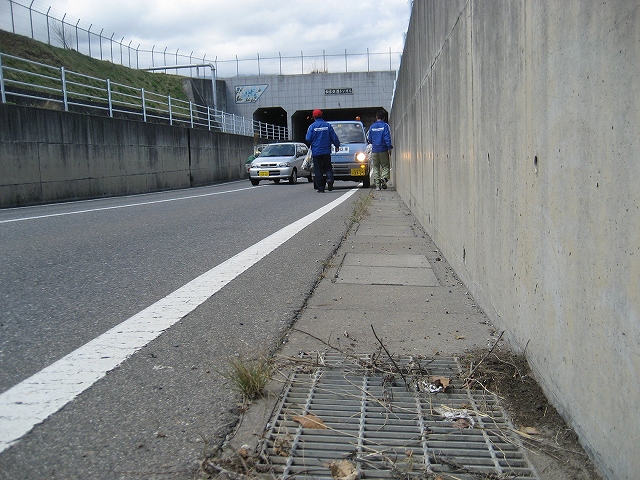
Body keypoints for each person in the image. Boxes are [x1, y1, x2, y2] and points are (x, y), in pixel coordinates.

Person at [305, 109, 340, 192]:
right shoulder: (327, 126)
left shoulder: (312, 127)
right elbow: (334, 137)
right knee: (328, 167)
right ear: (321, 115)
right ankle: (330, 179)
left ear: (313, 117)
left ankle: (321, 188)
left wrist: (313, 142)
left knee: (318, 170)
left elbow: (308, 139)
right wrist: (337, 145)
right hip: (326, 151)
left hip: (316, 152)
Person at [367, 110, 393, 191]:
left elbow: (369, 139)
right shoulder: (385, 126)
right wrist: (389, 148)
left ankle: (377, 186)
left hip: (375, 150)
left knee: (376, 167)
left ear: (376, 117)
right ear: (384, 117)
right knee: (385, 166)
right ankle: (384, 179)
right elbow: (387, 138)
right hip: (383, 150)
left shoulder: (372, 127)